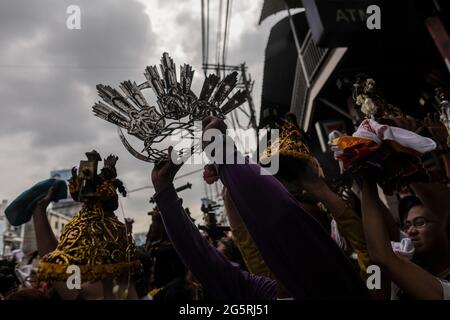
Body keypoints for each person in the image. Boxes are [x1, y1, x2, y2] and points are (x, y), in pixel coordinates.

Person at [151, 117, 370, 299]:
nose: (288, 239)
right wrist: (165, 192)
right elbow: (207, 264)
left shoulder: (358, 284)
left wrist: (223, 155)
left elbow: (375, 258)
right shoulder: (266, 292)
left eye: (303, 228)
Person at [361, 171, 450, 299]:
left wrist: (366, 178)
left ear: (443, 227)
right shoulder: (406, 258)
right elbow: (374, 291)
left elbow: (381, 257)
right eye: (407, 225)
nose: (411, 231)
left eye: (420, 223)